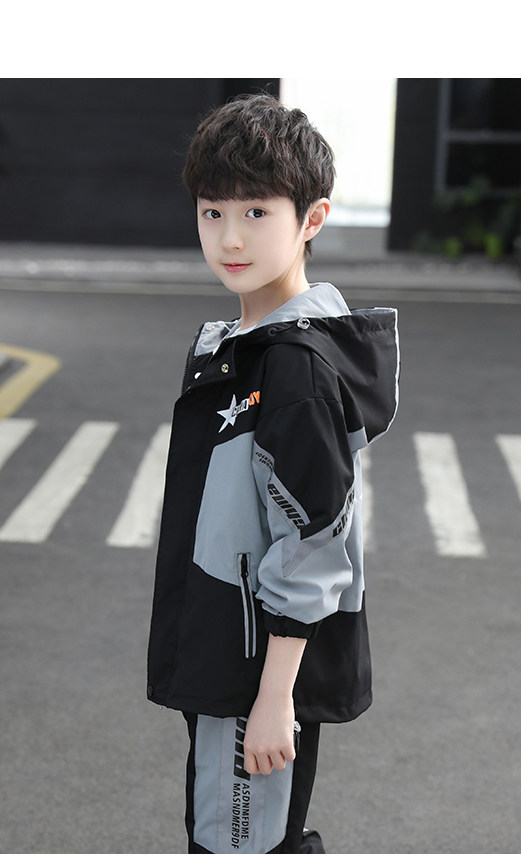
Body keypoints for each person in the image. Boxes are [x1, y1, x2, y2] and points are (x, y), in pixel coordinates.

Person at [146, 93, 400, 854]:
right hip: (228, 650)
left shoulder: (294, 369)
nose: (230, 237)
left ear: (312, 219)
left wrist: (274, 697)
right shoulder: (239, 345)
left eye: (257, 212)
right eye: (212, 211)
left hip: (256, 668)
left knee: (239, 846)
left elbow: (315, 542)